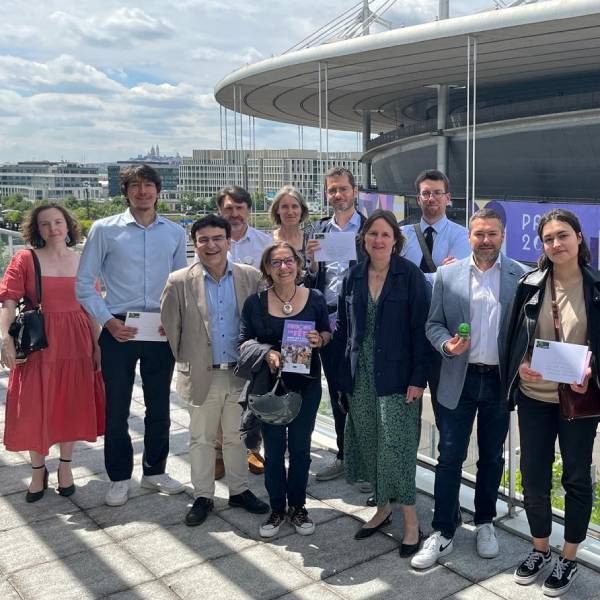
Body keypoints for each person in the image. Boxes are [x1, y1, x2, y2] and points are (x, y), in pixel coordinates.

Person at [412, 208, 528, 569]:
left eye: (492, 234)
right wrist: (447, 345)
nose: (485, 240)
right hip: (457, 379)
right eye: (479, 234)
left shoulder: (520, 277)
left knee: (492, 457)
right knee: (449, 457)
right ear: (469, 236)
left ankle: (484, 522)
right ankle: (443, 530)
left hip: (498, 380)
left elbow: (528, 329)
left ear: (503, 235)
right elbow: (433, 325)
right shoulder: (447, 275)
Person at [76, 164, 187, 507]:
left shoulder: (174, 232)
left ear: (158, 190)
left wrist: (175, 319)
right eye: (135, 186)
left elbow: (180, 283)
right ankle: (119, 477)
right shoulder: (104, 230)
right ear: (124, 191)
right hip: (118, 326)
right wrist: (108, 322)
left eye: (148, 185)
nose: (143, 191)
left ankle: (155, 471)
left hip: (159, 327)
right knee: (117, 407)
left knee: (158, 405)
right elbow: (84, 284)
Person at [504, 208, 599, 597]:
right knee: (535, 475)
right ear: (541, 245)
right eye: (548, 238)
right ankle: (540, 548)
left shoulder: (596, 288)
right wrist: (521, 365)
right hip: (534, 398)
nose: (556, 243)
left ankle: (570, 556)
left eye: (563, 235)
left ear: (579, 238)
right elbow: (512, 341)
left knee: (576, 477)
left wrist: (593, 373)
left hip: (578, 401)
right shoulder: (530, 285)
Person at [160, 215, 269, 526]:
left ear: (228, 241)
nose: (211, 245)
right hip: (201, 372)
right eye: (204, 239)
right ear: (195, 244)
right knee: (202, 439)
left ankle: (239, 490)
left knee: (236, 437)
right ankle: (203, 496)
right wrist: (187, 358)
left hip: (240, 372)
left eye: (217, 238)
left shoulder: (250, 277)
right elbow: (171, 325)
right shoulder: (179, 281)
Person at [333, 209, 429, 554]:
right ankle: (382, 509)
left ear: (395, 241)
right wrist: (342, 374)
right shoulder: (353, 276)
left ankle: (412, 522)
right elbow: (345, 330)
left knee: (397, 447)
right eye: (372, 234)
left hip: (399, 377)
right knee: (372, 441)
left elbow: (421, 331)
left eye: (385, 234)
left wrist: (419, 379)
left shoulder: (410, 276)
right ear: (364, 239)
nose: (378, 240)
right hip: (361, 376)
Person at [0, 204, 104, 502]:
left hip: (77, 340)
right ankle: (37, 470)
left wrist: (98, 345)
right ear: (37, 230)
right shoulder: (25, 259)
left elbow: (91, 307)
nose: (53, 228)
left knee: (70, 402)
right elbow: (8, 301)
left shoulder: (83, 261)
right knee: (34, 404)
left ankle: (66, 467)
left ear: (68, 226)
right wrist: (5, 338)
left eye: (58, 222)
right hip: (39, 342)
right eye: (45, 224)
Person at [239, 241, 331, 538]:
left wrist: (320, 339)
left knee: (302, 450)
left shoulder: (314, 297)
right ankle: (277, 507)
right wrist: (266, 352)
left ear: (298, 264)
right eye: (276, 263)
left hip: (306, 384)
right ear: (267, 268)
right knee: (275, 450)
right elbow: (243, 342)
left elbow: (327, 332)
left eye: (288, 261)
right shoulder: (255, 303)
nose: (283, 267)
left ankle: (298, 506)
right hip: (271, 388)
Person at [305, 167, 366, 483]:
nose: (338, 195)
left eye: (343, 189)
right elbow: (311, 278)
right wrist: (312, 262)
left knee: (363, 390)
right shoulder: (316, 230)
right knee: (337, 388)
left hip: (362, 320)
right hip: (328, 319)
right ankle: (344, 454)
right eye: (332, 190)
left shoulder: (370, 227)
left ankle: (366, 459)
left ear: (354, 191)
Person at [400, 169, 470, 422]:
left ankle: (449, 463)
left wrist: (414, 277)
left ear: (448, 197)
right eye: (426, 193)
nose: (432, 198)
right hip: (408, 332)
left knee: (446, 413)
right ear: (418, 198)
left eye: (437, 193)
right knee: (405, 409)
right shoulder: (402, 235)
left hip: (444, 332)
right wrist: (441, 272)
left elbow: (458, 280)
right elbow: (399, 280)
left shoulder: (462, 235)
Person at [217, 185, 272, 477]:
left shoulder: (264, 243)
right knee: (218, 391)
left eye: (239, 208)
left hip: (253, 331)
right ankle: (218, 451)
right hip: (218, 328)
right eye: (228, 208)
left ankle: (252, 448)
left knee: (252, 392)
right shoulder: (213, 242)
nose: (234, 214)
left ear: (248, 210)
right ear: (221, 211)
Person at [270, 186, 309, 258]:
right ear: (277, 210)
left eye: (294, 206)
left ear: (302, 210)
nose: (290, 212)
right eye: (285, 207)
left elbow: (317, 269)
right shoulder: (267, 240)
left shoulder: (310, 240)